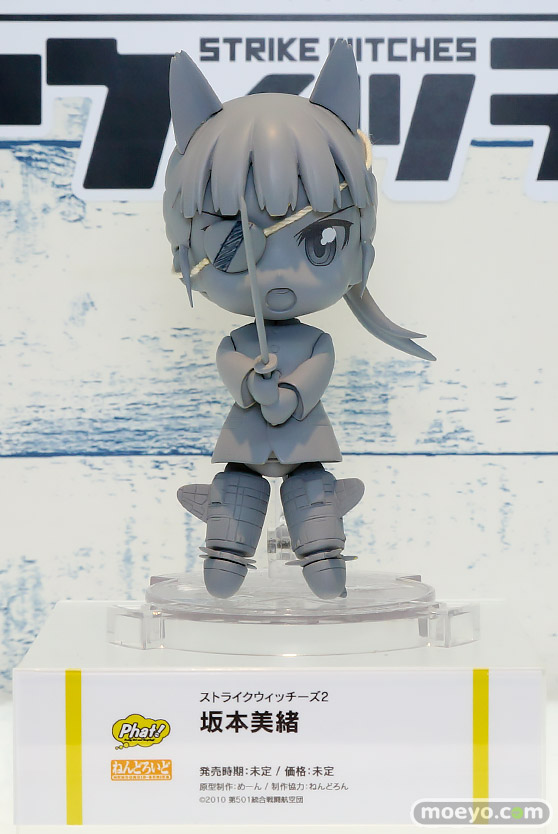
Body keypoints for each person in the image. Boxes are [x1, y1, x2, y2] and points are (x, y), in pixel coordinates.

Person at [163, 40, 434, 600]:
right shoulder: (239, 339)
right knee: (237, 493)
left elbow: (316, 370)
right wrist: (249, 382)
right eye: (239, 247)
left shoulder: (316, 342)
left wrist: (285, 395)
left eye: (321, 241)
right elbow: (230, 362)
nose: (279, 276)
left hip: (305, 437)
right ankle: (227, 548)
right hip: (245, 440)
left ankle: (322, 548)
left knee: (311, 494)